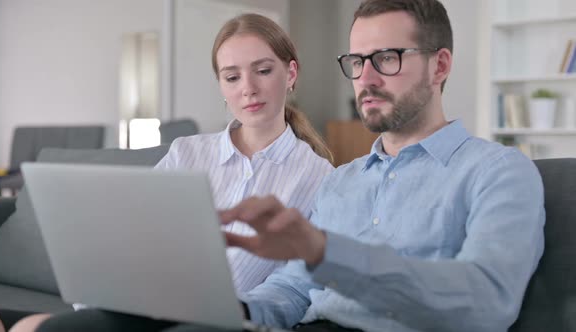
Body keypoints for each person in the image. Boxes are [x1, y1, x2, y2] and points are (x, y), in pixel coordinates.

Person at [29, 0, 545, 331]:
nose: (366, 77)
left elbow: (486, 300)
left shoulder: (499, 172)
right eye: (357, 62)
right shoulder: (342, 184)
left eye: (387, 57)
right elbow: (294, 287)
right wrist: (236, 312)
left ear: (441, 65)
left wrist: (326, 252)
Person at [0, 12, 334, 332]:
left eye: (262, 70)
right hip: (137, 303)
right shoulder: (187, 152)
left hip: (207, 322)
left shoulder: (318, 177)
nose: (248, 88)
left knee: (30, 329)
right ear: (221, 87)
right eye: (232, 76)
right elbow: (134, 237)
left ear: (290, 73)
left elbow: (296, 284)